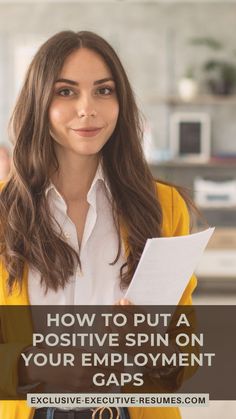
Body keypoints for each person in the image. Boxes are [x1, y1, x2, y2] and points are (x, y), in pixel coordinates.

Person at [0, 30, 197, 419]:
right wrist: (35, 366)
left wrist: (151, 347)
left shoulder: (163, 207)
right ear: (39, 102)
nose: (88, 108)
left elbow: (184, 353)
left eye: (104, 91)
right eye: (66, 92)